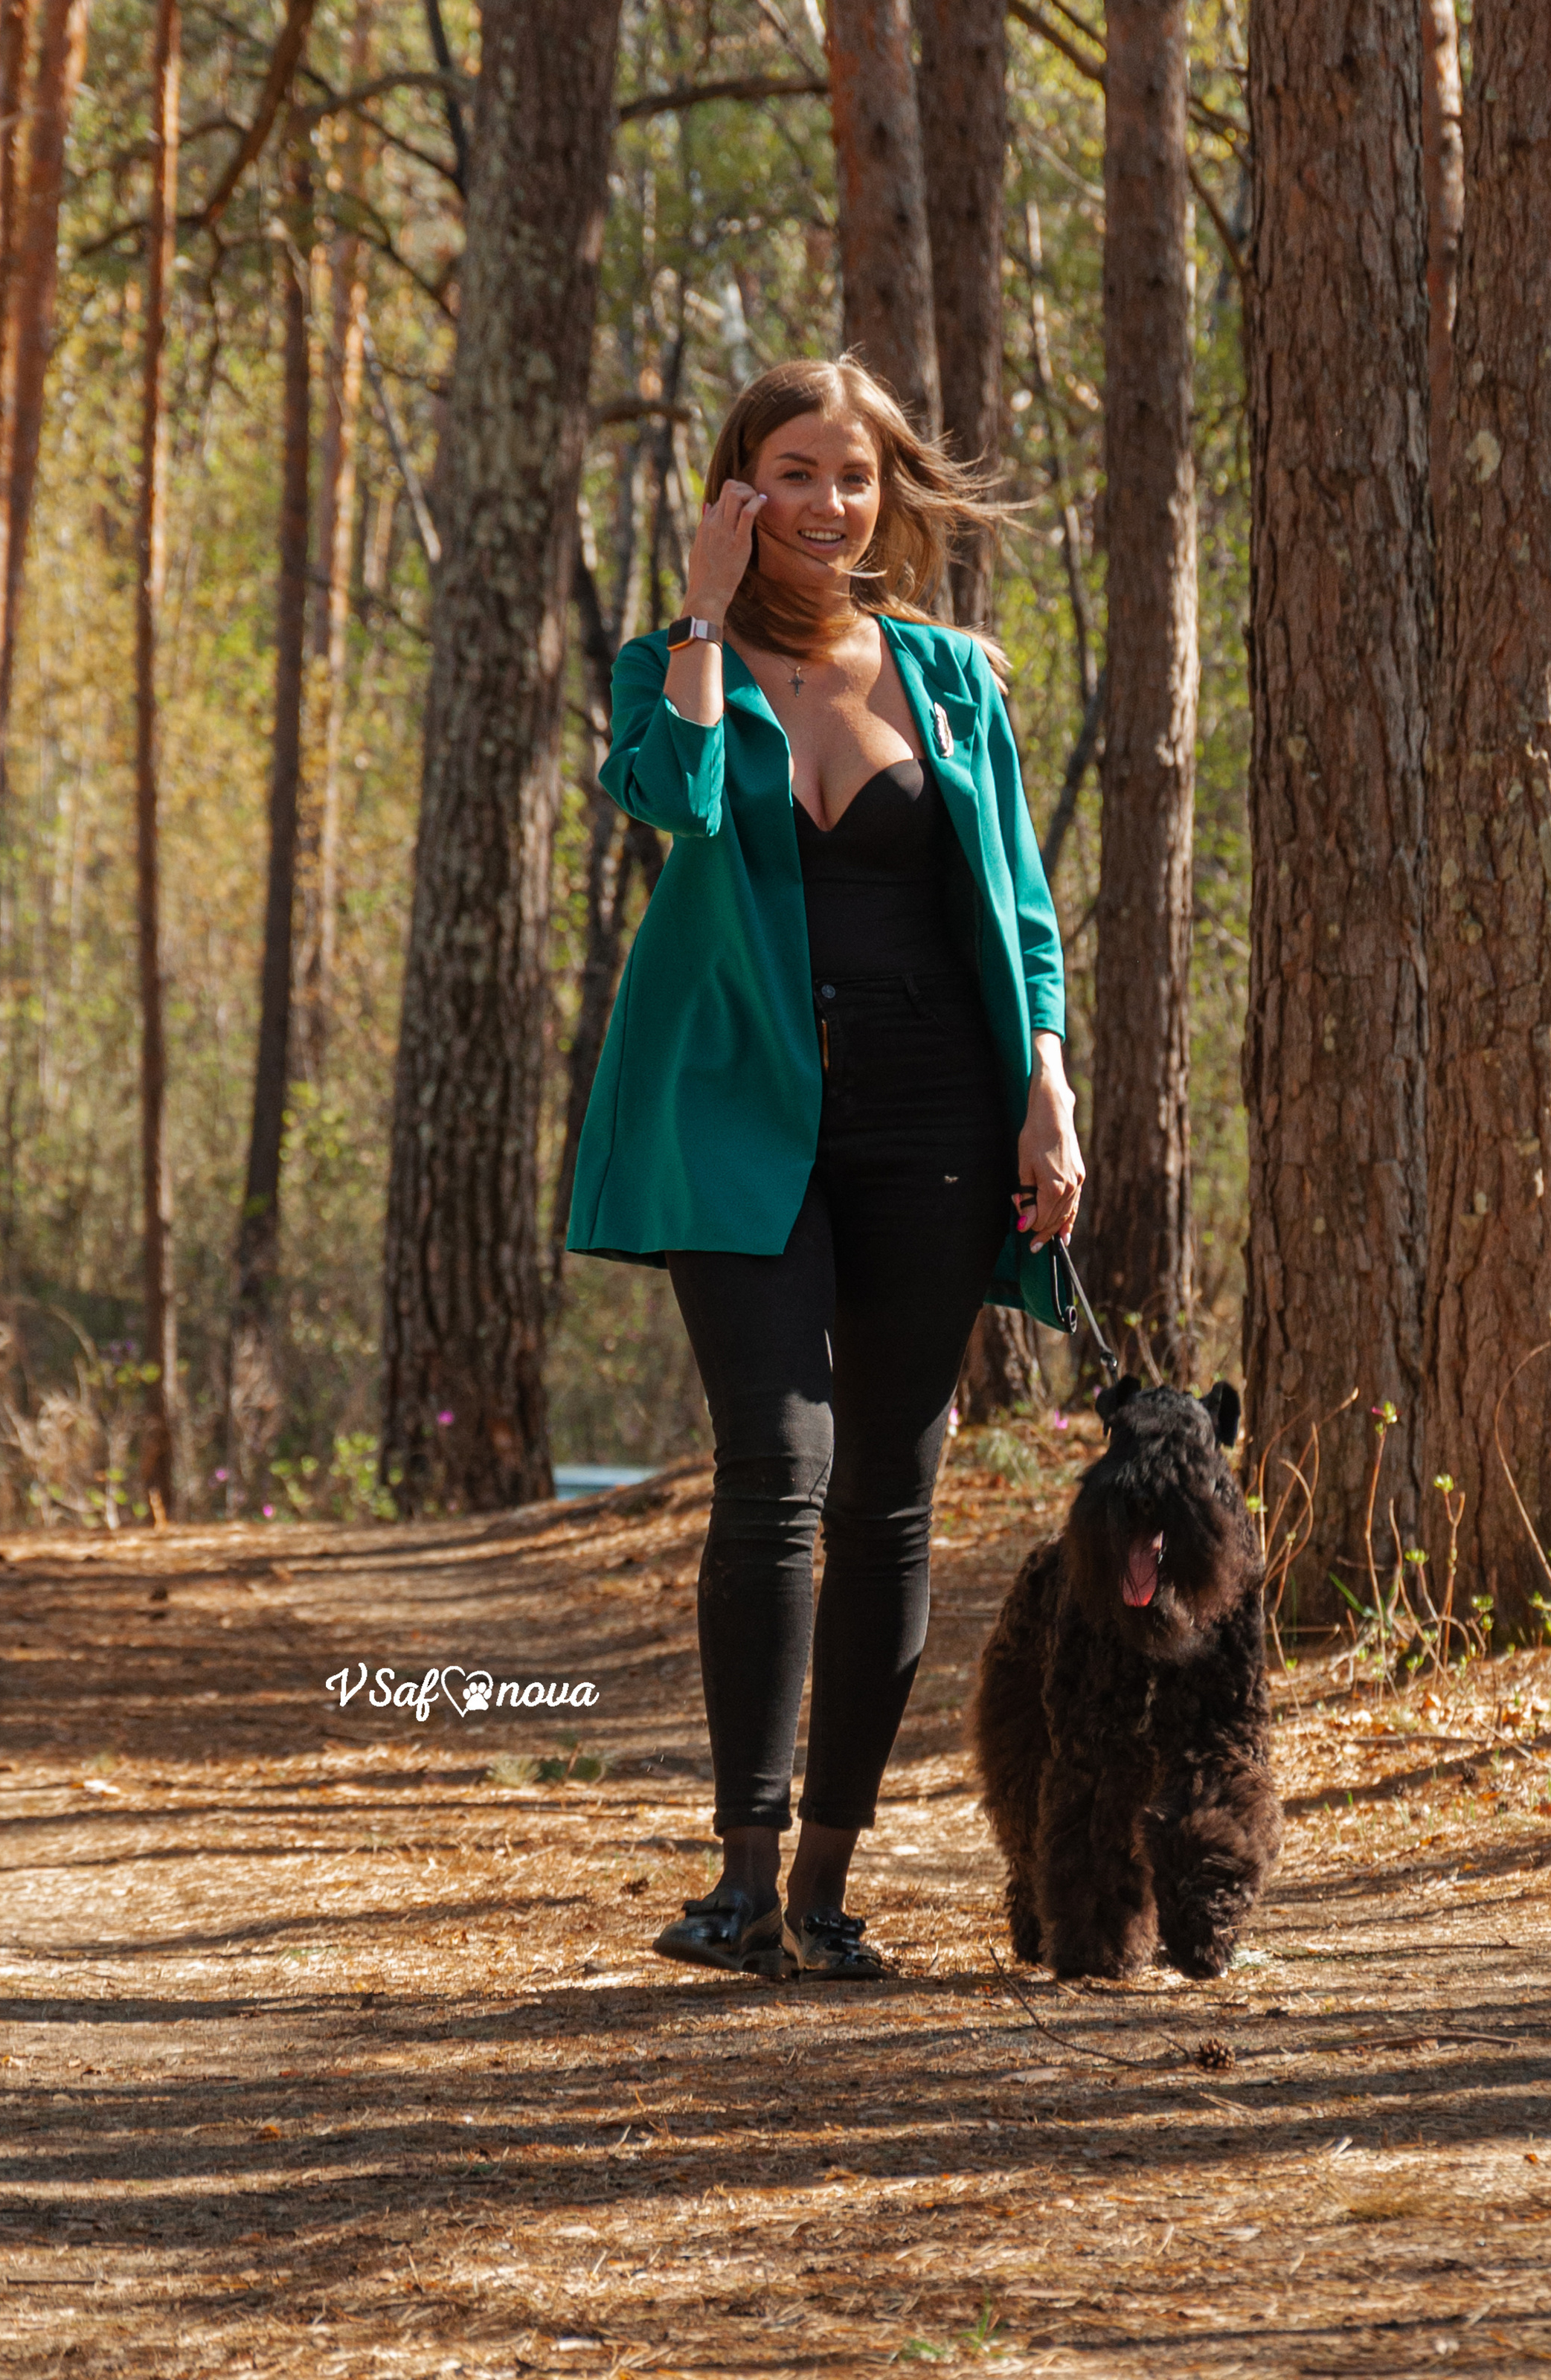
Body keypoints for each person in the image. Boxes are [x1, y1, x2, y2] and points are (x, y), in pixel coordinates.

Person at [567, 356, 1083, 1980]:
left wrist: (1046, 1090)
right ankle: (737, 1874)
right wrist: (707, 617)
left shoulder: (945, 676)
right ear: (738, 487)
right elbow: (682, 805)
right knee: (775, 1459)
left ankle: (827, 1885)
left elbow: (1014, 910)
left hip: (933, 1124)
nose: (830, 504)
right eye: (794, 471)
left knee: (888, 1492)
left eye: (853, 476)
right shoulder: (669, 666)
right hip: (740, 1117)